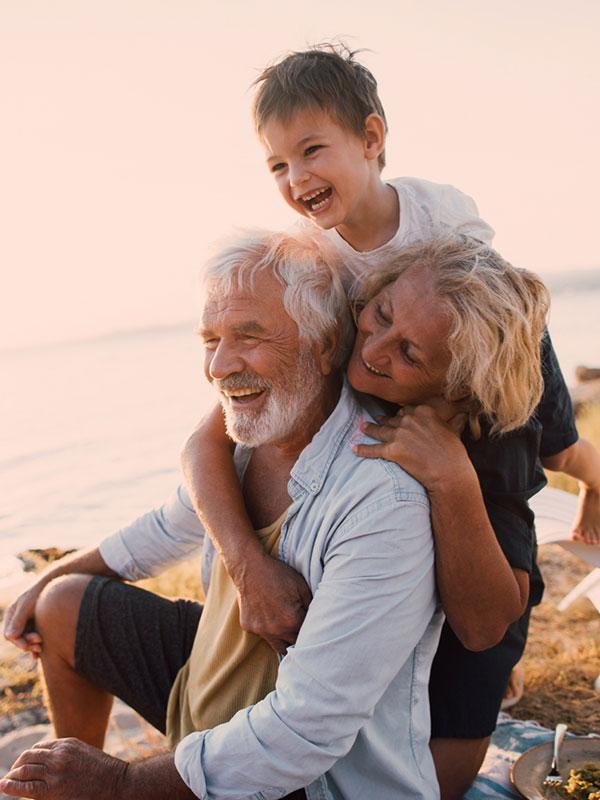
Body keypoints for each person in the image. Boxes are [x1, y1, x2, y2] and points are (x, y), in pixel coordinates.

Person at [176, 44, 600, 800]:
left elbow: (499, 312)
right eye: (277, 166)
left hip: (482, 356)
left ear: (372, 139)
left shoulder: (442, 215)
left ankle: (587, 475)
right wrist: (245, 560)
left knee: (549, 437)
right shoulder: (319, 259)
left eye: (312, 151)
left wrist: (456, 453)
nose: (298, 178)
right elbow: (209, 436)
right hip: (410, 376)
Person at [2, 231, 444, 800]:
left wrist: (121, 782)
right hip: (207, 695)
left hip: (309, 780)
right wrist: (43, 581)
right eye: (209, 339)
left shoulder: (383, 499)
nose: (219, 365)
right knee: (63, 603)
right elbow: (164, 527)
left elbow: (306, 731)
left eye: (249, 336)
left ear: (326, 343)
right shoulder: (246, 440)